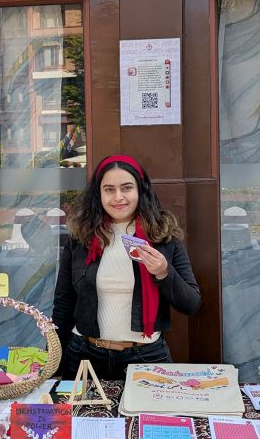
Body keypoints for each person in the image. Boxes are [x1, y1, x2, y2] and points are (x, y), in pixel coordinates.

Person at [53, 154, 201, 380]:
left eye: (127, 187)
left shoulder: (163, 238)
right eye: (109, 189)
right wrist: (53, 362)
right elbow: (63, 304)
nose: (118, 197)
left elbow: (191, 303)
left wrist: (164, 273)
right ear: (98, 194)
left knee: (148, 417)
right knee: (81, 416)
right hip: (83, 355)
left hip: (147, 356)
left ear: (141, 191)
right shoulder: (81, 239)